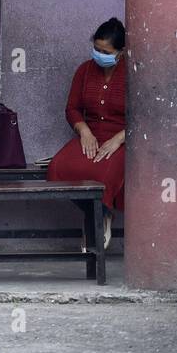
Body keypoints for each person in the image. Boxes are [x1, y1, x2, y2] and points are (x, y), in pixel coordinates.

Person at [47, 17, 126, 250]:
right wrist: (84, 131)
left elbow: (145, 116)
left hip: (120, 138)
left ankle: (96, 222)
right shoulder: (84, 70)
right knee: (58, 168)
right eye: (96, 49)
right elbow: (72, 108)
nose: (99, 54)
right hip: (90, 133)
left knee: (103, 173)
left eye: (106, 51)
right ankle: (99, 214)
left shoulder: (134, 73)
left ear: (120, 52)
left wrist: (119, 139)